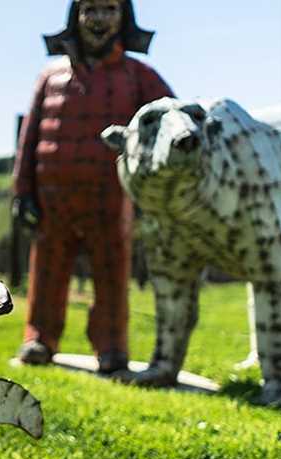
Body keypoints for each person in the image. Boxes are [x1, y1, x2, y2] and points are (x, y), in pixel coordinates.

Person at [13, 0, 173, 372]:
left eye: (109, 9)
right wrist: (22, 191)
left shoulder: (140, 75)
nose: (99, 19)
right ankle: (39, 337)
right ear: (76, 16)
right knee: (48, 269)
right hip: (53, 198)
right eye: (90, 9)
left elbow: (171, 121)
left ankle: (112, 347)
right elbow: (30, 137)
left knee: (112, 271)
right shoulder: (49, 76)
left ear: (123, 18)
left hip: (112, 196)